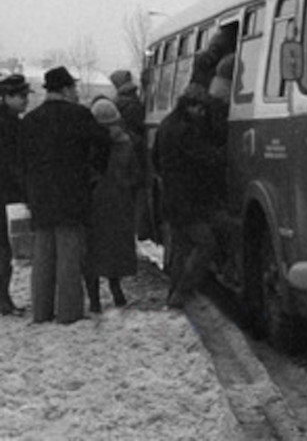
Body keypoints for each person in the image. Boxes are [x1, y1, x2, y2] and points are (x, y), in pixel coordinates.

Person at [21, 66, 110, 324]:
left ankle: (41, 311)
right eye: (74, 88)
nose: (76, 92)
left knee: (43, 256)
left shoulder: (29, 120)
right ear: (66, 89)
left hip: (39, 195)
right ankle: (69, 313)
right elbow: (103, 141)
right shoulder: (79, 115)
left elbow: (22, 159)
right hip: (72, 194)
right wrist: (96, 170)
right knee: (69, 255)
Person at [152, 85, 224, 309]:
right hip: (187, 199)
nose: (203, 115)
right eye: (201, 110)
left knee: (181, 249)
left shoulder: (166, 125)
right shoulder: (185, 130)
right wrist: (223, 155)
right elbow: (204, 157)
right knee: (206, 244)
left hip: (172, 197)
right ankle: (183, 291)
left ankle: (174, 294)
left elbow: (154, 158)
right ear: (191, 106)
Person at [84, 99, 140, 313]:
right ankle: (117, 292)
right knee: (115, 248)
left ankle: (95, 300)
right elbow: (136, 175)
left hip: (94, 204)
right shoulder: (126, 143)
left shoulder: (89, 144)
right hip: (120, 203)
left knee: (92, 251)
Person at [110, 69, 154, 243]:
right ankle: (140, 229)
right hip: (137, 154)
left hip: (126, 156)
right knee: (139, 193)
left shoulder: (117, 104)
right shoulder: (133, 105)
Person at [0, 74, 32, 315]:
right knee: (3, 250)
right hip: (4, 191)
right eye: (21, 96)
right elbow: (13, 163)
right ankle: (3, 301)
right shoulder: (9, 124)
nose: (25, 101)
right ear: (7, 96)